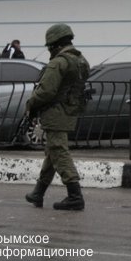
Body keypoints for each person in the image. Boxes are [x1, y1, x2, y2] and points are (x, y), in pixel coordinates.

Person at [24, 24, 90, 210]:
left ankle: (75, 196)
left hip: (55, 112)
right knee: (53, 151)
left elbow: (46, 91)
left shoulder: (59, 62)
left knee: (59, 151)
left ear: (54, 44)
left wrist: (30, 104)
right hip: (70, 110)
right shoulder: (81, 61)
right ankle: (38, 192)